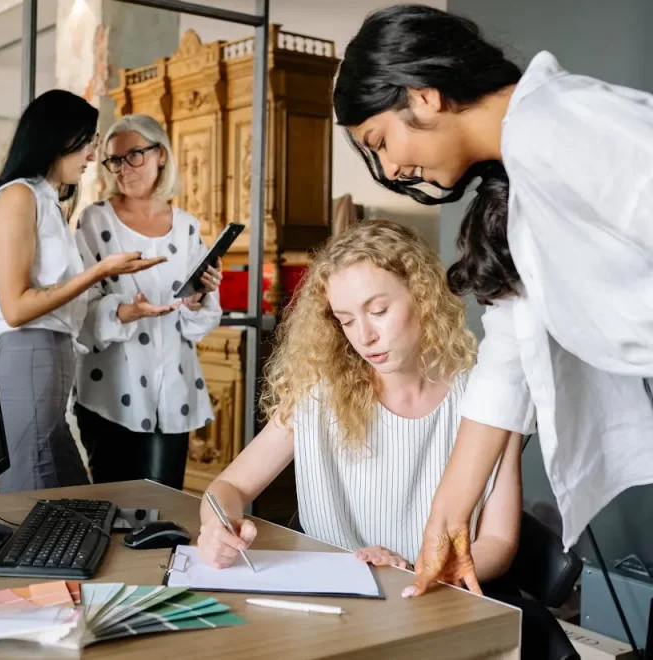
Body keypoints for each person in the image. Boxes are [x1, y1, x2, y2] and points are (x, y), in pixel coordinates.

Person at [333, 4, 653, 597]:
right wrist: (446, 525)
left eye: (380, 141)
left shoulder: (561, 123)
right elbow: (506, 367)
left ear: (423, 96)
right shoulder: (519, 177)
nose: (393, 166)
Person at [197, 221, 576, 659]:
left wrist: (416, 571)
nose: (364, 337)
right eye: (346, 321)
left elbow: (497, 545)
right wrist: (217, 526)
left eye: (378, 311)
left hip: (433, 609)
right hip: (332, 615)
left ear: (423, 296)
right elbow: (228, 488)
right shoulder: (318, 394)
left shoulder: (487, 400)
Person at [0, 90, 164, 493]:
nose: (91, 155)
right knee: (34, 506)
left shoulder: (44, 200)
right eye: (86, 142)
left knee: (72, 502)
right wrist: (100, 270)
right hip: (30, 356)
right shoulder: (18, 196)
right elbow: (16, 308)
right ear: (55, 138)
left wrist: (120, 308)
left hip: (49, 363)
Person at [73, 114, 223, 489]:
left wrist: (198, 299)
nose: (123, 169)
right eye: (114, 160)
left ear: (160, 155)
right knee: (114, 510)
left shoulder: (188, 226)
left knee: (164, 512)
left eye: (134, 155)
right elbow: (79, 309)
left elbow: (199, 321)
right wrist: (128, 312)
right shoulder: (94, 221)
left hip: (173, 390)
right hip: (110, 392)